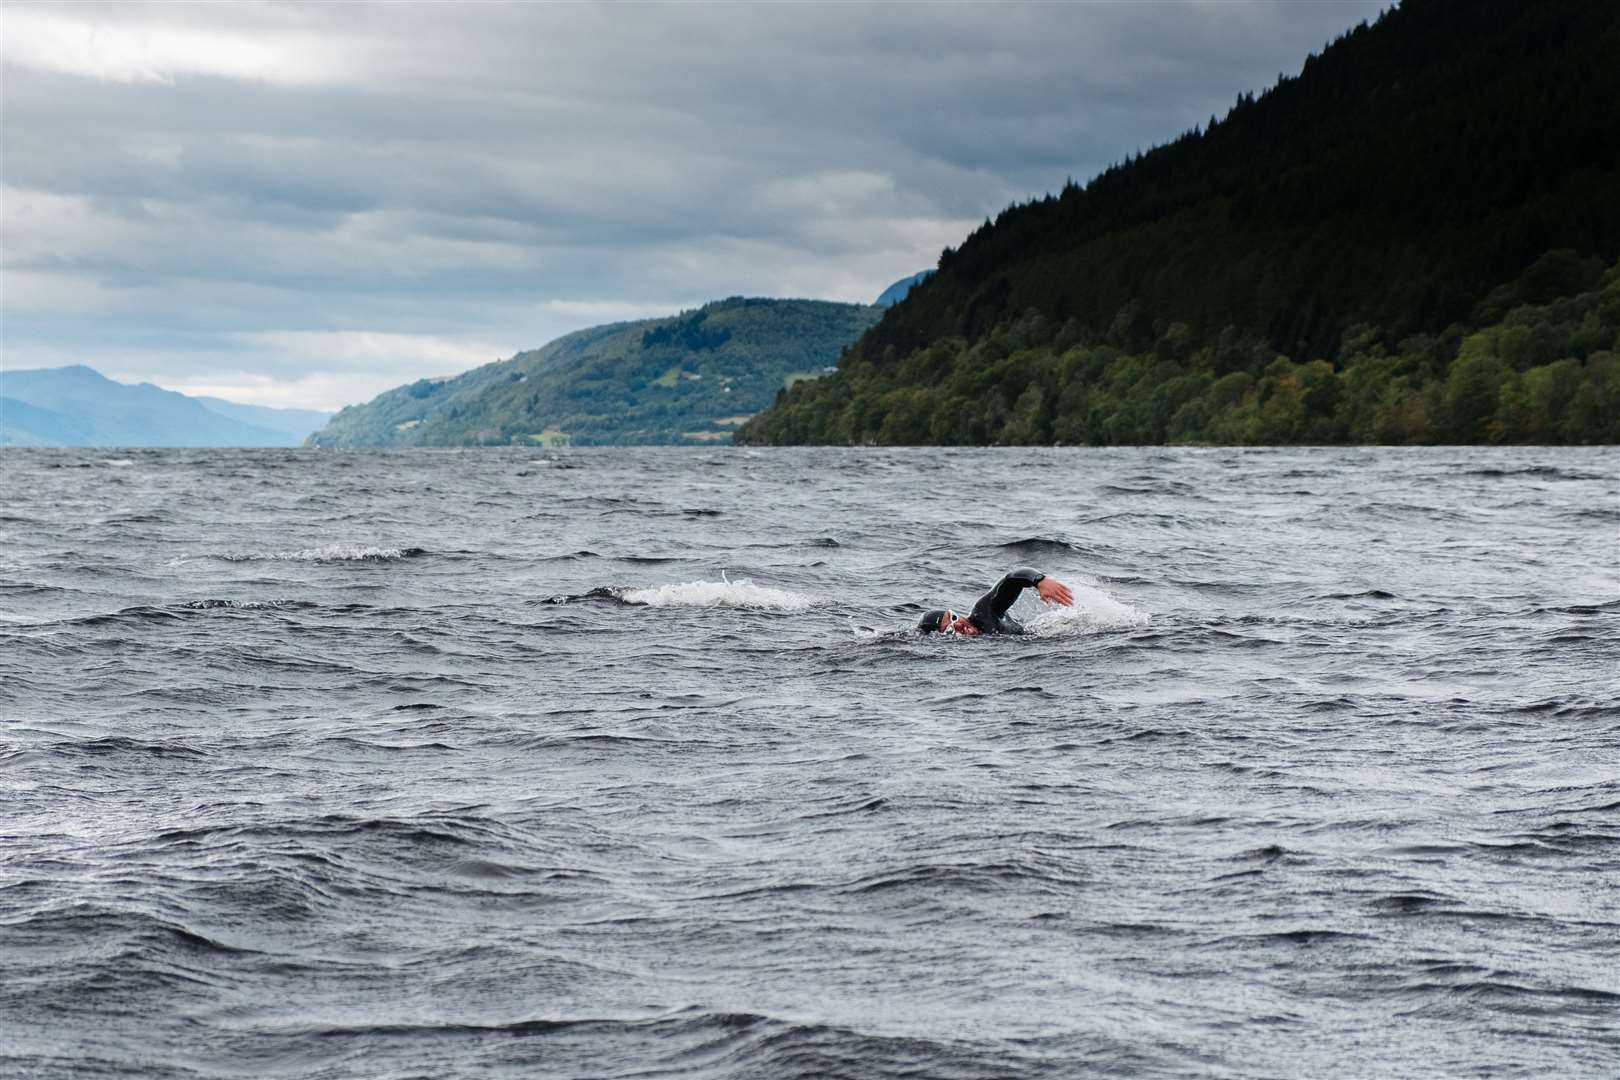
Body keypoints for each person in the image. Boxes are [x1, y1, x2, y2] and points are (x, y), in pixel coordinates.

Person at [917, 567, 1074, 636]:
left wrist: (1039, 580)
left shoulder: (984, 613)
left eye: (954, 618)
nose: (958, 625)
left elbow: (1012, 578)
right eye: (950, 629)